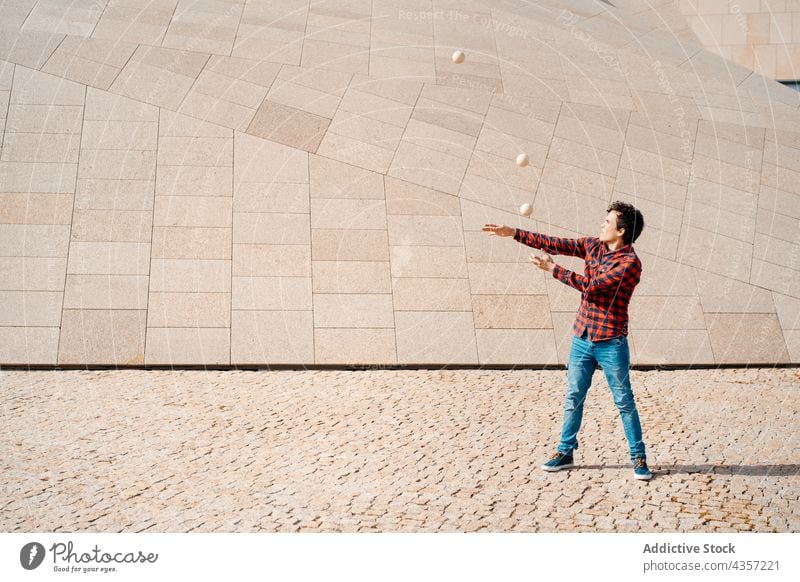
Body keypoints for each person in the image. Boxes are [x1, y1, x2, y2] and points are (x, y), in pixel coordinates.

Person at [482, 201, 652, 480]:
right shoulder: (593, 246)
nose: (602, 224)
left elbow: (593, 288)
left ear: (621, 231)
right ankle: (565, 450)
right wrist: (513, 232)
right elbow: (555, 243)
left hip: (611, 342)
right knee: (574, 396)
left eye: (607, 221)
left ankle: (638, 456)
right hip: (583, 336)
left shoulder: (630, 264)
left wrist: (553, 270)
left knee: (623, 400)